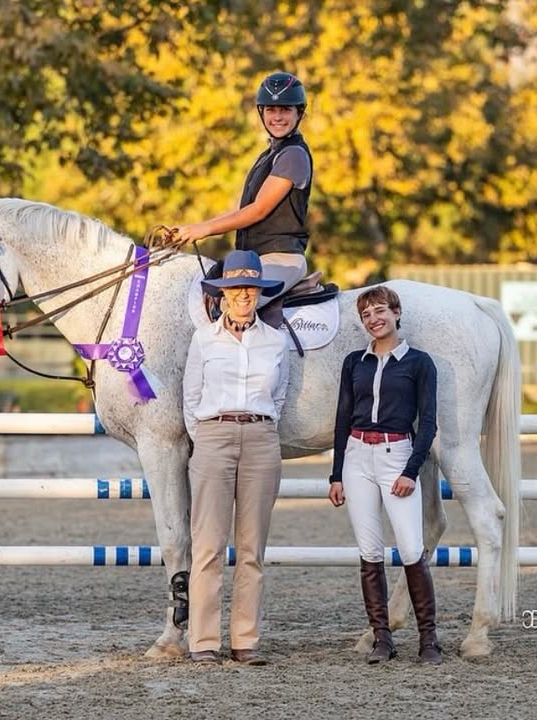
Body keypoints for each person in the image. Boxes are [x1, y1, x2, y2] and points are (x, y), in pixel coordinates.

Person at [182, 249, 290, 665]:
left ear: (259, 293)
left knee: (252, 546)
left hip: (261, 437)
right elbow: (191, 398)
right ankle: (204, 641)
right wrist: (209, 436)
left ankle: (245, 639)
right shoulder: (203, 339)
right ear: (223, 294)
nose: (243, 295)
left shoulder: (276, 341)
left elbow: (278, 395)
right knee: (208, 544)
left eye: (250, 288)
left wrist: (259, 426)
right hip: (213, 435)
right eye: (235, 288)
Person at [327, 286, 442, 665]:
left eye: (380, 311)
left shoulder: (419, 363)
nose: (373, 319)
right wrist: (336, 474)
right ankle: (382, 637)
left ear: (396, 312)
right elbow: (343, 418)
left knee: (410, 548)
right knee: (369, 551)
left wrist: (411, 471)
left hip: (397, 455)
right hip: (358, 456)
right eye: (366, 315)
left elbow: (427, 423)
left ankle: (429, 639)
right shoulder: (354, 363)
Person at [171, 71, 313, 307]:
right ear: (262, 112)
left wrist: (203, 229)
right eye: (271, 110)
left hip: (281, 259)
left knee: (235, 305)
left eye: (285, 110)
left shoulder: (293, 155)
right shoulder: (269, 154)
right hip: (254, 259)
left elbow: (258, 210)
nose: (277, 117)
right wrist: (190, 230)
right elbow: (243, 211)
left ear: (299, 113)